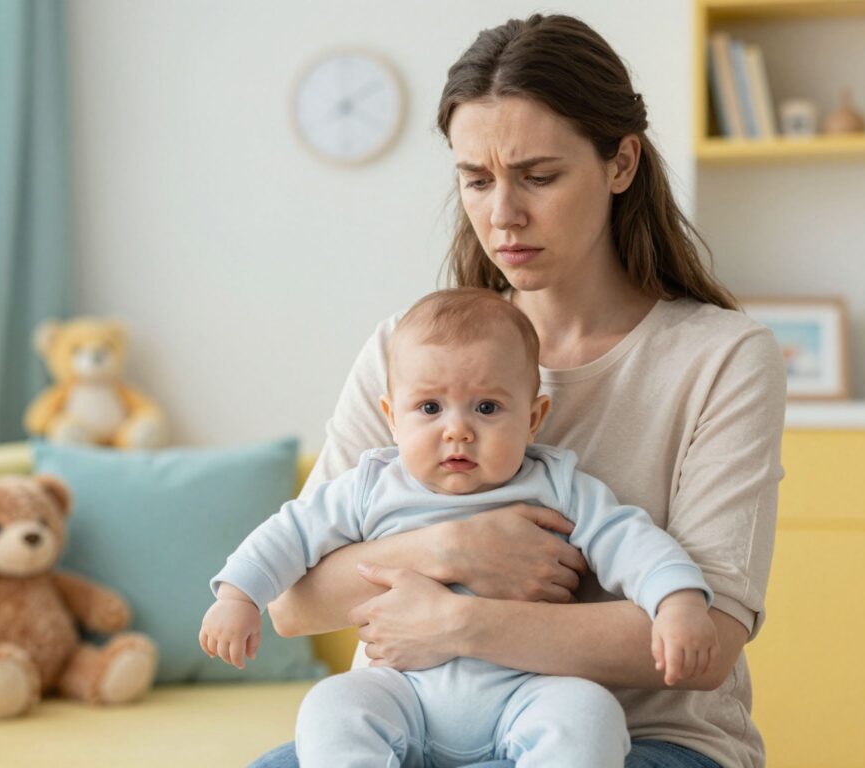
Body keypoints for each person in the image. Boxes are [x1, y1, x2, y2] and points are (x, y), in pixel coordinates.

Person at [255, 13, 785, 768]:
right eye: (476, 180)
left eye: (538, 177)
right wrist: (459, 546)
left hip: (642, 740)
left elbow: (704, 639)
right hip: (416, 725)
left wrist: (455, 623)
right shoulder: (407, 351)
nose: (502, 215)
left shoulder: (721, 359)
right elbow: (295, 602)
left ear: (621, 163)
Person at [201, 288, 720, 766]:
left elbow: (629, 540)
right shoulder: (371, 485)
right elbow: (289, 533)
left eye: (487, 408)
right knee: (331, 705)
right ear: (391, 416)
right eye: (429, 407)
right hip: (402, 693)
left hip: (527, 691)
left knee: (587, 711)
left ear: (534, 417)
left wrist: (677, 600)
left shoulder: (557, 484)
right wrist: (237, 595)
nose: (457, 430)